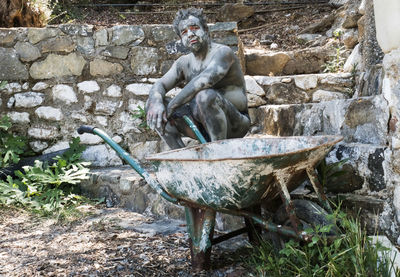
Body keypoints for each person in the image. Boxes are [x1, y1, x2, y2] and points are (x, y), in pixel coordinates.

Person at [146, 8, 250, 149]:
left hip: (235, 124)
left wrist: (172, 106)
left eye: (194, 28)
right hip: (199, 123)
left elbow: (205, 81)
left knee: (204, 96)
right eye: (184, 32)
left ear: (206, 30)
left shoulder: (223, 53)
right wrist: (156, 103)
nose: (190, 34)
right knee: (153, 105)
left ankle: (218, 153)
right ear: (181, 40)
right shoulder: (184, 63)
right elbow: (160, 85)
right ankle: (181, 157)